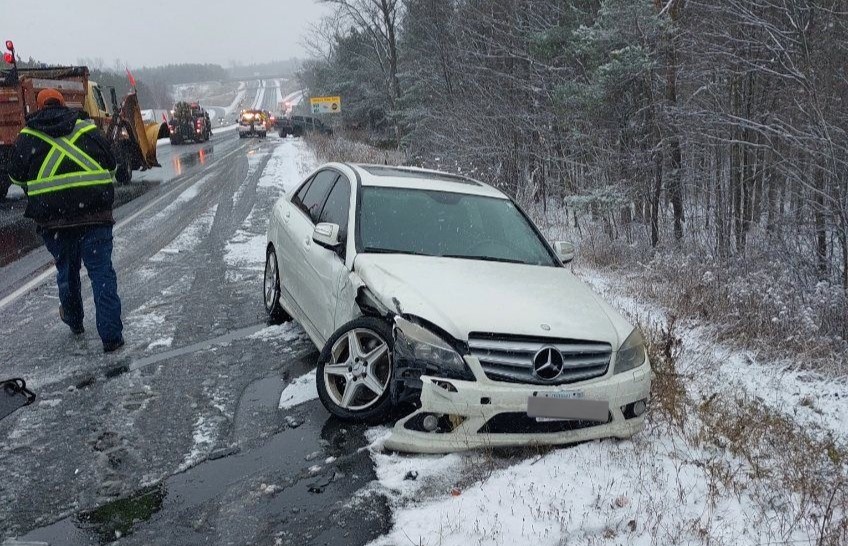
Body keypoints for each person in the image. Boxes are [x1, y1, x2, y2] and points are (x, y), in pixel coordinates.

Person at [8, 88, 125, 352]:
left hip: (54, 221)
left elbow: (16, 177)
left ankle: (74, 320)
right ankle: (111, 337)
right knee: (101, 274)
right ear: (64, 105)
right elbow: (112, 165)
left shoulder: (27, 137)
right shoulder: (86, 129)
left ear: (38, 108)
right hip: (94, 217)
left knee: (67, 271)